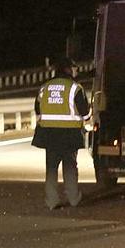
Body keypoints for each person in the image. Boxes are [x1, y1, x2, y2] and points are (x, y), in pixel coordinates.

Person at [32, 57, 90, 210]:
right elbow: (85, 113)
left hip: (49, 134)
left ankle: (51, 201)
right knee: (70, 167)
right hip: (70, 134)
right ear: (69, 69)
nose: (76, 71)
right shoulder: (75, 88)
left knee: (51, 168)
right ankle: (73, 199)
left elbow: (38, 109)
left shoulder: (45, 87)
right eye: (74, 68)